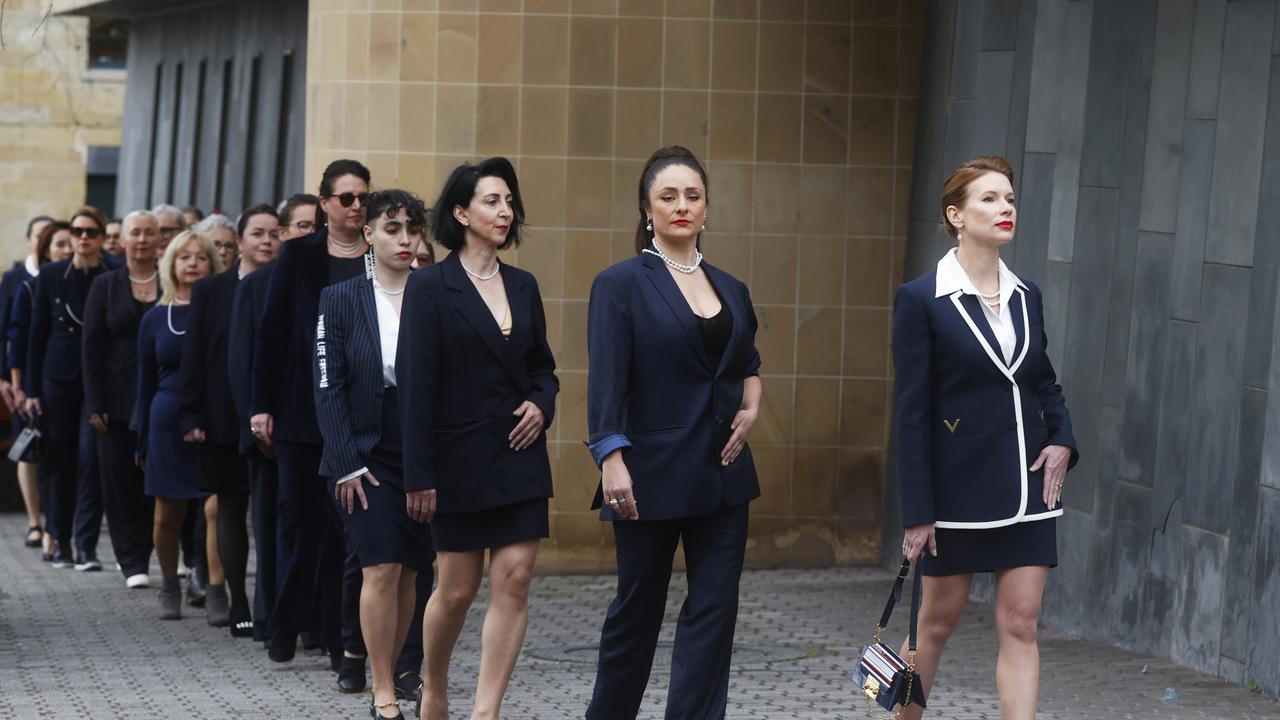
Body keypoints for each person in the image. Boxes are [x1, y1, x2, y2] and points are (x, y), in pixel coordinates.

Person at [893, 156, 1078, 720]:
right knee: (935, 624)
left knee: (1021, 625)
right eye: (990, 199)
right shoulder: (922, 299)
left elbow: (1043, 381)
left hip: (1028, 490)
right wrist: (918, 512)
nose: (1005, 209)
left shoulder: (1027, 295)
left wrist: (1064, 439)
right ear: (956, 215)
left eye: (1010, 199)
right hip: (957, 494)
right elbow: (912, 412)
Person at [582, 146, 762, 720]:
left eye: (693, 195)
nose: (682, 205)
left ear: (706, 207)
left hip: (725, 474)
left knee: (714, 613)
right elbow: (607, 379)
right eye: (668, 196)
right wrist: (610, 456)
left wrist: (752, 405)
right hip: (648, 475)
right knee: (637, 612)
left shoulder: (730, 287)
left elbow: (746, 360)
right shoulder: (621, 283)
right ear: (647, 208)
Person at [400, 157, 558, 720]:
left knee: (514, 579)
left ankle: (486, 711)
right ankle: (434, 688)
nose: (505, 210)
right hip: (456, 460)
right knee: (457, 591)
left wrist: (542, 405)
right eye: (492, 201)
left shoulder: (524, 285)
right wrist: (418, 474)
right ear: (461, 212)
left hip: (519, 457)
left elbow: (544, 370)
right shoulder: (429, 287)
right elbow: (415, 388)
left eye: (509, 201)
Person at [315, 189, 436, 719]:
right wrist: (344, 460)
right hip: (365, 446)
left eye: (412, 229)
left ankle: (404, 668)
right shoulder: (340, 298)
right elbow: (327, 385)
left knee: (411, 567)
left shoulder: (435, 294)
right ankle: (382, 688)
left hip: (423, 444)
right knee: (379, 567)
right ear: (368, 234)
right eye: (392, 228)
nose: (404, 239)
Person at [251, 160, 371, 667]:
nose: (357, 206)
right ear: (324, 204)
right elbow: (272, 332)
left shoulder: (379, 255)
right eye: (345, 198)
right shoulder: (298, 256)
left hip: (360, 415)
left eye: (364, 196)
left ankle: (339, 636)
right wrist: (262, 406)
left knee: (350, 532)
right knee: (302, 527)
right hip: (302, 414)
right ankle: (287, 623)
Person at [177, 203, 280, 634]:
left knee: (272, 513)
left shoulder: (287, 286)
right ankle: (238, 601)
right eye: (258, 233)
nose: (267, 241)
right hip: (222, 415)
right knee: (230, 508)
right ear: (239, 242)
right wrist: (191, 413)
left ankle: (272, 604)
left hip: (276, 418)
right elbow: (196, 353)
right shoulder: (212, 291)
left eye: (275, 233)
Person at [24, 206, 120, 571]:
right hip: (58, 377)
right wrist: (31, 389)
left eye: (91, 232)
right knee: (58, 460)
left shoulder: (113, 271)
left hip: (101, 379)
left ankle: (86, 546)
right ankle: (59, 540)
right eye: (78, 231)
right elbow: (37, 334)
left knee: (91, 460)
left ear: (100, 237)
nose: (83, 238)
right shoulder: (51, 274)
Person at [135, 229, 223, 619]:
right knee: (167, 514)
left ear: (213, 264)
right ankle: (170, 584)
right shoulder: (155, 317)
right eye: (184, 257)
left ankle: (217, 588)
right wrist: (141, 440)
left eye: (200, 257)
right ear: (171, 263)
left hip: (215, 418)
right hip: (165, 422)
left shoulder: (227, 309)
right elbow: (143, 381)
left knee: (216, 509)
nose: (192, 263)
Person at [82, 210, 161, 589]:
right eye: (136, 233)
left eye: (149, 233)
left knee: (160, 478)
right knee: (119, 482)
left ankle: (163, 550)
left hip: (163, 397)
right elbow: (91, 346)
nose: (143, 239)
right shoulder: (105, 285)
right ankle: (131, 559)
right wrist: (94, 402)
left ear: (159, 240)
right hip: (116, 399)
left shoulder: (172, 280)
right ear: (124, 240)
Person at [1, 215, 53, 550]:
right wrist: (4, 379)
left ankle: (55, 521)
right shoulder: (14, 279)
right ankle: (34, 520)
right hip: (21, 379)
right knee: (28, 447)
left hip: (53, 378)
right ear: (30, 239)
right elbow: (5, 330)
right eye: (40, 236)